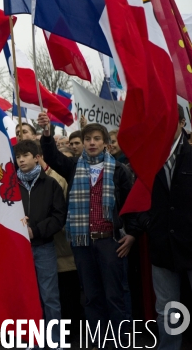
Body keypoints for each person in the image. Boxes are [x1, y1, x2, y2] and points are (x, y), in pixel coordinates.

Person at [38, 112, 141, 346]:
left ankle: (121, 341)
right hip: (83, 244)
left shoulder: (119, 170)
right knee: (92, 298)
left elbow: (131, 206)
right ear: (83, 143)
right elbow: (52, 156)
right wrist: (47, 132)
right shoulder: (74, 166)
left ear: (105, 142)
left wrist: (132, 234)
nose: (91, 143)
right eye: (88, 139)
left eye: (96, 138)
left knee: (115, 297)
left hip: (110, 242)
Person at [139, 105, 192, 350]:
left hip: (190, 242)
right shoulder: (149, 159)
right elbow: (138, 199)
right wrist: (150, 225)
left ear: (182, 123)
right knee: (169, 308)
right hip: (162, 245)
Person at [14, 140, 66, 346]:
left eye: (25, 155)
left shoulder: (51, 183)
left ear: (37, 157)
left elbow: (58, 217)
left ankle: (54, 340)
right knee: (27, 296)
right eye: (18, 157)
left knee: (50, 297)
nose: (21, 160)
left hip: (43, 247)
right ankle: (31, 340)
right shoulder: (11, 185)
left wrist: (34, 231)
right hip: (19, 250)